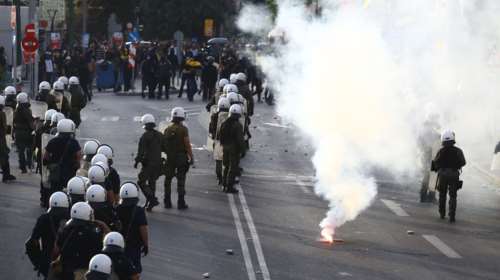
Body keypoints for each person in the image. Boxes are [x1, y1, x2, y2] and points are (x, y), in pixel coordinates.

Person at [54, 202, 109, 280]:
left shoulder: (65, 229)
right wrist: (104, 226)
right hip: (83, 271)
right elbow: (105, 245)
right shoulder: (94, 232)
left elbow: (56, 249)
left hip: (65, 269)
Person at [26, 192, 70, 279]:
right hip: (68, 265)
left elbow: (31, 243)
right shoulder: (71, 219)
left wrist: (40, 263)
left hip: (48, 262)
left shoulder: (44, 219)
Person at [431, 130, 466, 223]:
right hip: (454, 175)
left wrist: (436, 169)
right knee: (453, 196)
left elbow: (435, 163)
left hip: (442, 175)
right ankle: (452, 215)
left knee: (442, 194)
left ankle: (442, 213)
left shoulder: (441, 151)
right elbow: (463, 162)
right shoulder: (458, 151)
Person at [162, 107, 194, 209]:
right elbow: (187, 144)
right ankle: (181, 202)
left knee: (168, 180)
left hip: (170, 158)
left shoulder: (167, 129)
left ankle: (167, 202)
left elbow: (164, 145)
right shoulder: (183, 129)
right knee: (181, 180)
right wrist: (191, 157)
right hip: (181, 158)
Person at [117, 182, 149, 274]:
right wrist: (146, 244)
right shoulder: (138, 211)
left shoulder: (116, 209)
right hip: (133, 246)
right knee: (133, 271)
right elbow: (143, 229)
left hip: (118, 245)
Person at [43, 119, 81, 195]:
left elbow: (46, 156)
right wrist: (77, 165)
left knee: (54, 191)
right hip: (69, 171)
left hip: (56, 172)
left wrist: (51, 163)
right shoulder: (74, 142)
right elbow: (78, 155)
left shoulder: (52, 141)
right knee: (71, 191)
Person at [134, 114, 163, 211]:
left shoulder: (144, 136)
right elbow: (165, 148)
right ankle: (149, 203)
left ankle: (152, 199)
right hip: (158, 163)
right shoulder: (159, 135)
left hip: (148, 164)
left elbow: (141, 152)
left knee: (141, 181)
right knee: (152, 182)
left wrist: (137, 161)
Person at [219, 104, 245, 193]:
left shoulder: (224, 123)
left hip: (225, 147)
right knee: (232, 168)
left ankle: (224, 184)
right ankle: (229, 186)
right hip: (233, 149)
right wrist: (243, 150)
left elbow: (219, 135)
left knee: (225, 166)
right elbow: (240, 139)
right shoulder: (238, 125)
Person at [209, 97, 230, 187]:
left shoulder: (214, 116)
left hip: (217, 140)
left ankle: (219, 177)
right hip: (228, 142)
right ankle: (226, 180)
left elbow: (211, 129)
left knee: (218, 160)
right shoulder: (230, 116)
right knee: (228, 162)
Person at [13, 92, 34, 173]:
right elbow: (30, 121)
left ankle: (22, 167)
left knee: (20, 151)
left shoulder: (16, 110)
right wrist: (34, 128)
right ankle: (29, 164)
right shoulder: (26, 110)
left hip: (18, 132)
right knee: (29, 148)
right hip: (27, 132)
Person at [0, 95, 15, 182]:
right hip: (1, 139)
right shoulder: (1, 113)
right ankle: (6, 175)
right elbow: (4, 127)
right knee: (4, 156)